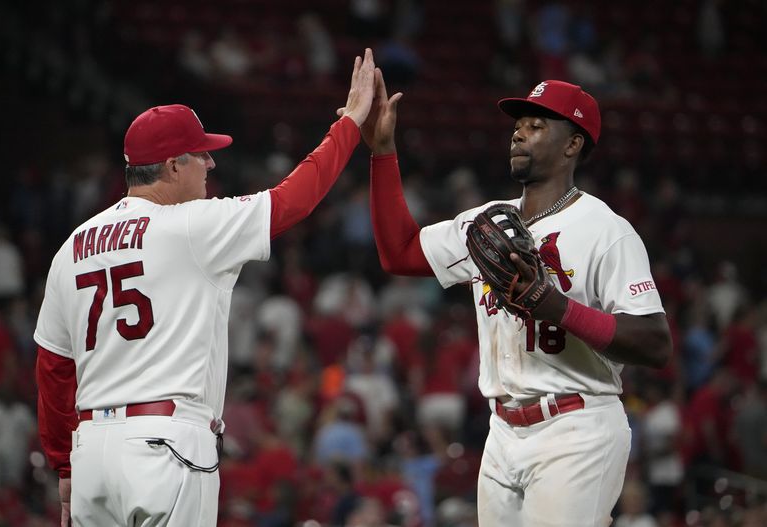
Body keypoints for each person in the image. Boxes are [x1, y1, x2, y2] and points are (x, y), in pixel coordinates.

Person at [34, 48, 377, 527]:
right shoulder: (190, 225)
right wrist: (351, 124)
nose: (211, 164)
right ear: (173, 165)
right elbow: (294, 199)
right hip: (164, 444)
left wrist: (63, 463)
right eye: (201, 154)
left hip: (91, 451)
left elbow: (54, 367)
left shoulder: (71, 247)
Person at [357, 75, 672, 526]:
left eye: (537, 125)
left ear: (573, 145)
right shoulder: (488, 224)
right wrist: (382, 153)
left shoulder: (606, 230)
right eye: (519, 124)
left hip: (576, 426)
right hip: (502, 430)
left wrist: (555, 306)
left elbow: (655, 343)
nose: (519, 132)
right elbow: (398, 252)